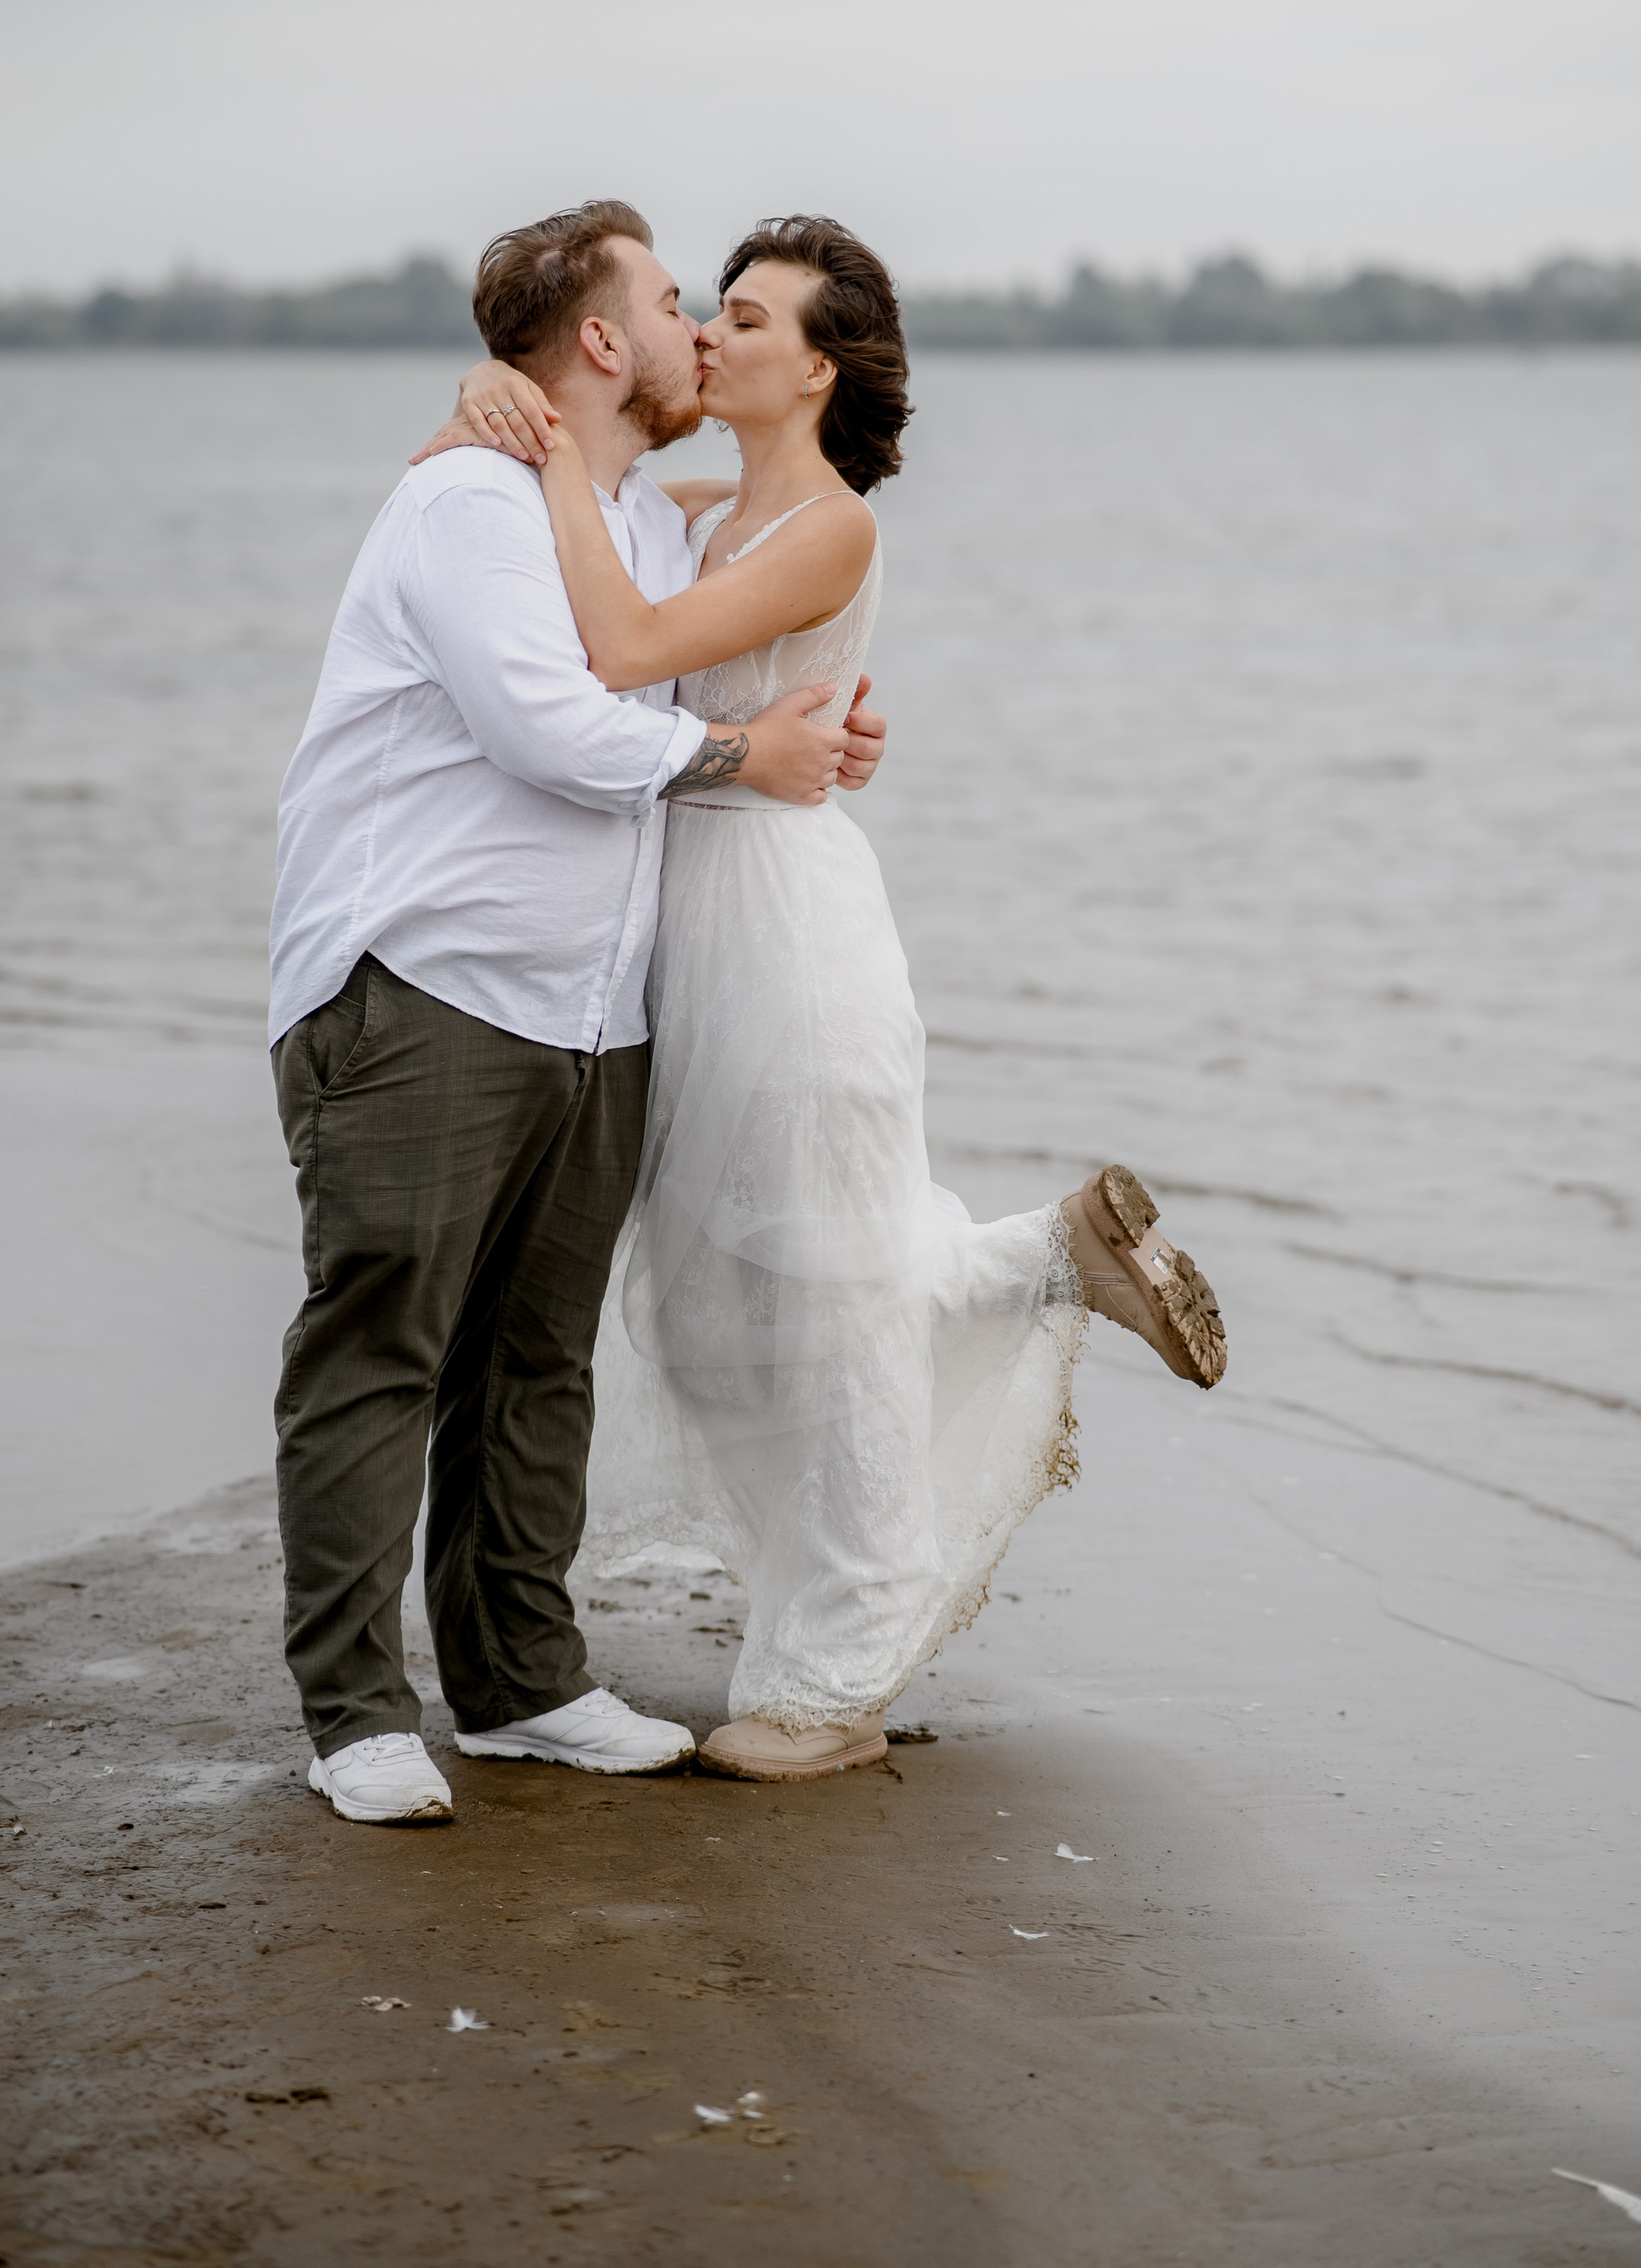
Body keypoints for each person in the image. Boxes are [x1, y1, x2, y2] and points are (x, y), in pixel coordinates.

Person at [425, 213, 1227, 1782]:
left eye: (743, 317)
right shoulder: (705, 511)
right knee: (713, 1306)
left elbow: (622, 647)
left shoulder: (833, 527)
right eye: (707, 308)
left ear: (816, 369)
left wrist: (548, 458)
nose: (707, 334)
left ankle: (836, 1675)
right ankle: (1043, 1257)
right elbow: (604, 567)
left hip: (791, 932)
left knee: (826, 1291)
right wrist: (493, 400)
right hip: (688, 931)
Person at [267, 200, 889, 1825]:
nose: (699, 330)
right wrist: (744, 753)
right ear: (602, 339)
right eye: (679, 303)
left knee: (536, 1363)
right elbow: (550, 725)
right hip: (424, 986)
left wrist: (807, 732)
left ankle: (519, 1684)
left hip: (599, 1011)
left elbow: (711, 639)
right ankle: (355, 1714)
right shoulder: (469, 503)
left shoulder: (648, 527)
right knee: (381, 1347)